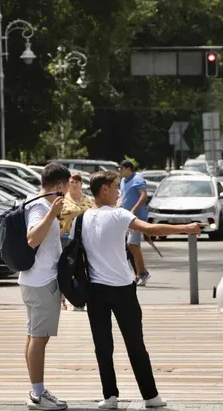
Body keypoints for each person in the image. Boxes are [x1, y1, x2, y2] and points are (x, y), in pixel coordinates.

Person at [75, 170, 203, 409]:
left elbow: (76, 255)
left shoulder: (81, 219)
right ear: (104, 189)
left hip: (95, 291)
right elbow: (151, 230)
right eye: (115, 187)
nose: (118, 192)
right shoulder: (119, 215)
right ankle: (151, 397)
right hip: (123, 290)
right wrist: (187, 227)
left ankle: (109, 397)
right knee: (135, 344)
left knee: (103, 345)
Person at [22, 162, 71, 410]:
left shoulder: (33, 201)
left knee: (34, 337)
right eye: (66, 187)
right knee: (39, 338)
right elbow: (32, 239)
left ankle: (36, 390)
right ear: (60, 185)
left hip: (36, 281)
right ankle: (38, 394)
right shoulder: (40, 206)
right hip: (41, 281)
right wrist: (52, 214)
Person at [57, 173, 95, 311]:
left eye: (77, 182)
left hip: (83, 238)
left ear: (81, 184)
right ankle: (61, 299)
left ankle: (79, 298)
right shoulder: (62, 199)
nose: (74, 184)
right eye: (71, 182)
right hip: (65, 238)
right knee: (64, 269)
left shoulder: (88, 200)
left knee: (81, 269)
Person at [119, 160, 150, 286]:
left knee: (132, 244)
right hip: (126, 218)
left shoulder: (137, 179)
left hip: (137, 218)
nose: (119, 171)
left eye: (121, 169)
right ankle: (139, 274)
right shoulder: (122, 181)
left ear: (128, 169)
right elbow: (124, 197)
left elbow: (143, 196)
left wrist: (133, 210)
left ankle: (143, 273)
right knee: (133, 246)